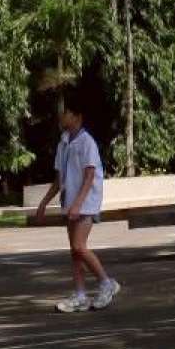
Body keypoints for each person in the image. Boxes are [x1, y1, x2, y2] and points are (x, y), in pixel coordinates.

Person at [34, 98, 118, 313]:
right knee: (75, 251)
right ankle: (80, 295)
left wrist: (78, 204)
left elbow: (89, 176)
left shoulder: (86, 142)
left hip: (85, 202)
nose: (62, 117)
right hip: (71, 202)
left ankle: (106, 283)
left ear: (78, 117)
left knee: (80, 246)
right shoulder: (63, 142)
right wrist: (44, 203)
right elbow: (59, 179)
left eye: (67, 113)